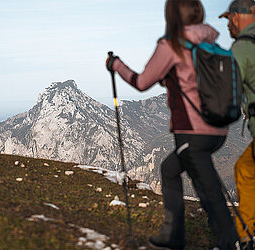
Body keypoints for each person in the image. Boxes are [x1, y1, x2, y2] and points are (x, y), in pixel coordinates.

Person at [106, 0, 241, 249]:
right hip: (219, 128)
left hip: (192, 131)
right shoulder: (210, 41)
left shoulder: (172, 44)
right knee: (170, 170)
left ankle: (229, 243)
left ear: (171, 14)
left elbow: (142, 81)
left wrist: (116, 65)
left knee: (209, 191)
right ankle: (173, 234)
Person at [219, 0, 255, 249]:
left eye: (229, 19)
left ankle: (246, 239)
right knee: (245, 168)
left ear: (239, 17)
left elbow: (227, 98)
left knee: (245, 170)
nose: (228, 25)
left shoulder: (242, 47)